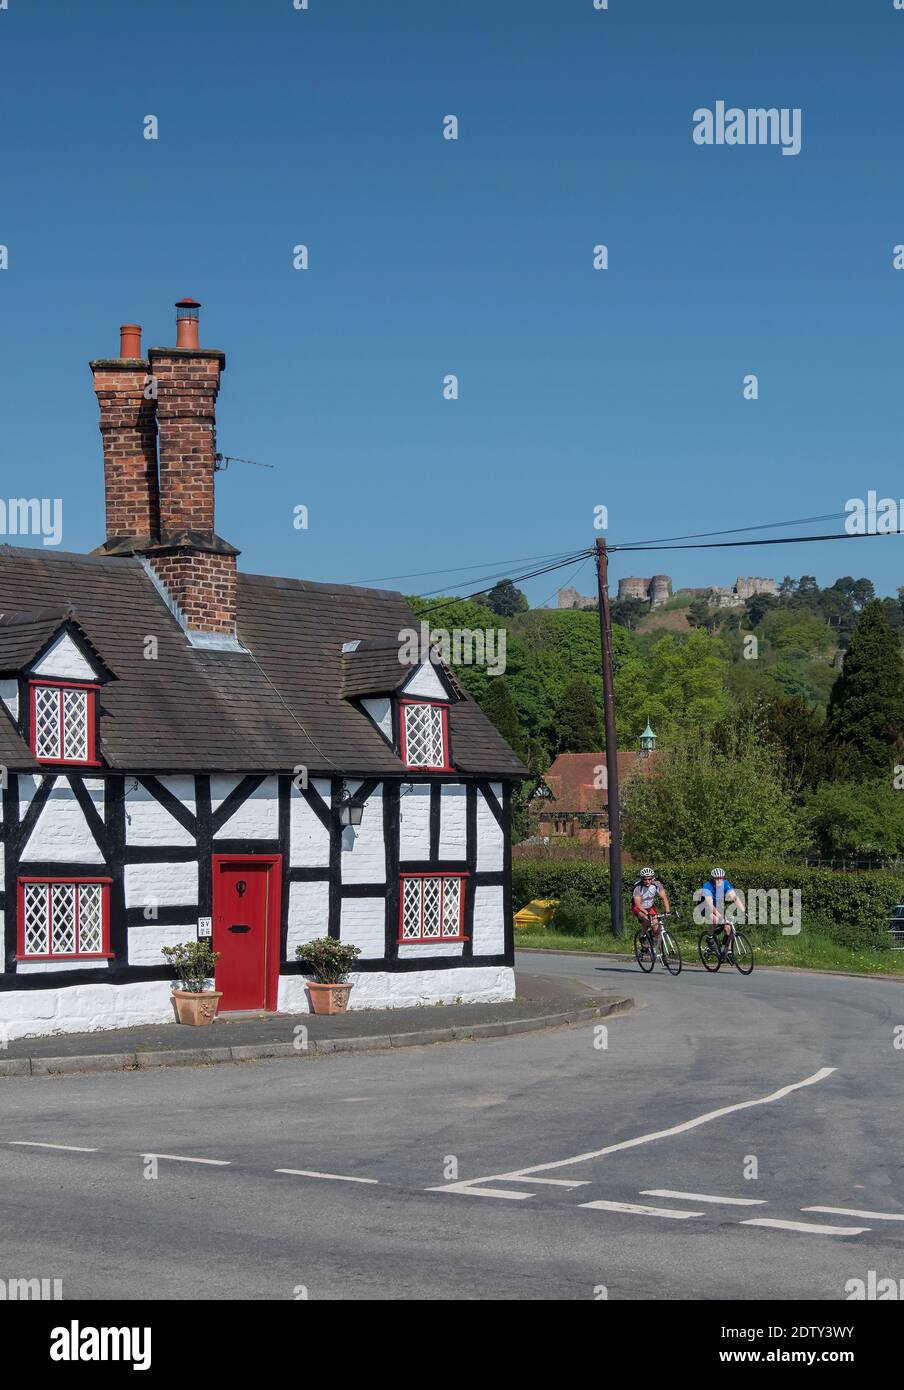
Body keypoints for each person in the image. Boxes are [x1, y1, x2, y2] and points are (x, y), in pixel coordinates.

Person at [699, 868, 744, 958]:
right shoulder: (707, 886)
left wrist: (743, 911)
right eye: (716, 878)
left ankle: (728, 951)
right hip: (706, 906)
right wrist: (721, 917)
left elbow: (734, 897)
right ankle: (710, 938)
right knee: (715, 920)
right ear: (712, 878)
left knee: (728, 927)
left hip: (718, 906)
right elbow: (710, 906)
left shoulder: (726, 883)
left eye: (721, 878)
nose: (719, 880)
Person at [631, 868, 671, 955]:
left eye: (649, 879)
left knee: (656, 925)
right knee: (647, 919)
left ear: (653, 878)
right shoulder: (638, 887)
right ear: (642, 879)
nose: (647, 881)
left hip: (650, 906)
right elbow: (637, 904)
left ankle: (654, 943)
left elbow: (664, 898)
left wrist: (667, 911)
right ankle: (642, 935)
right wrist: (647, 913)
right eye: (645, 879)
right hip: (638, 907)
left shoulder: (657, 884)